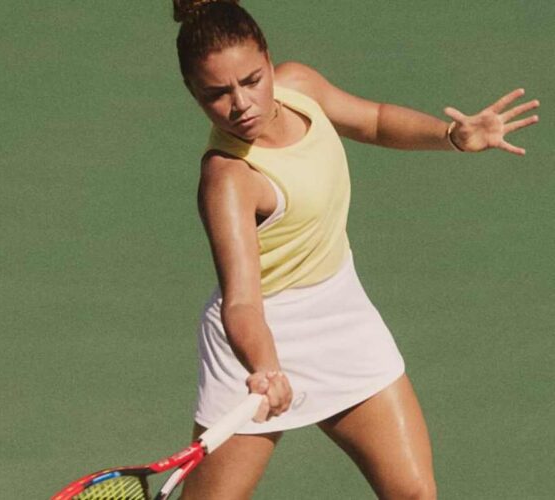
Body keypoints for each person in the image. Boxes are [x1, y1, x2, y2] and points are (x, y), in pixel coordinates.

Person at [171, 1, 540, 499]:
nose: (241, 104)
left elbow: (376, 121)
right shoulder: (228, 178)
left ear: (270, 62)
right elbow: (241, 301)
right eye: (217, 93)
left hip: (341, 315)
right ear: (192, 92)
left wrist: (451, 136)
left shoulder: (301, 87)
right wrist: (264, 366)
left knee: (414, 493)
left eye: (252, 80)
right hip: (257, 340)